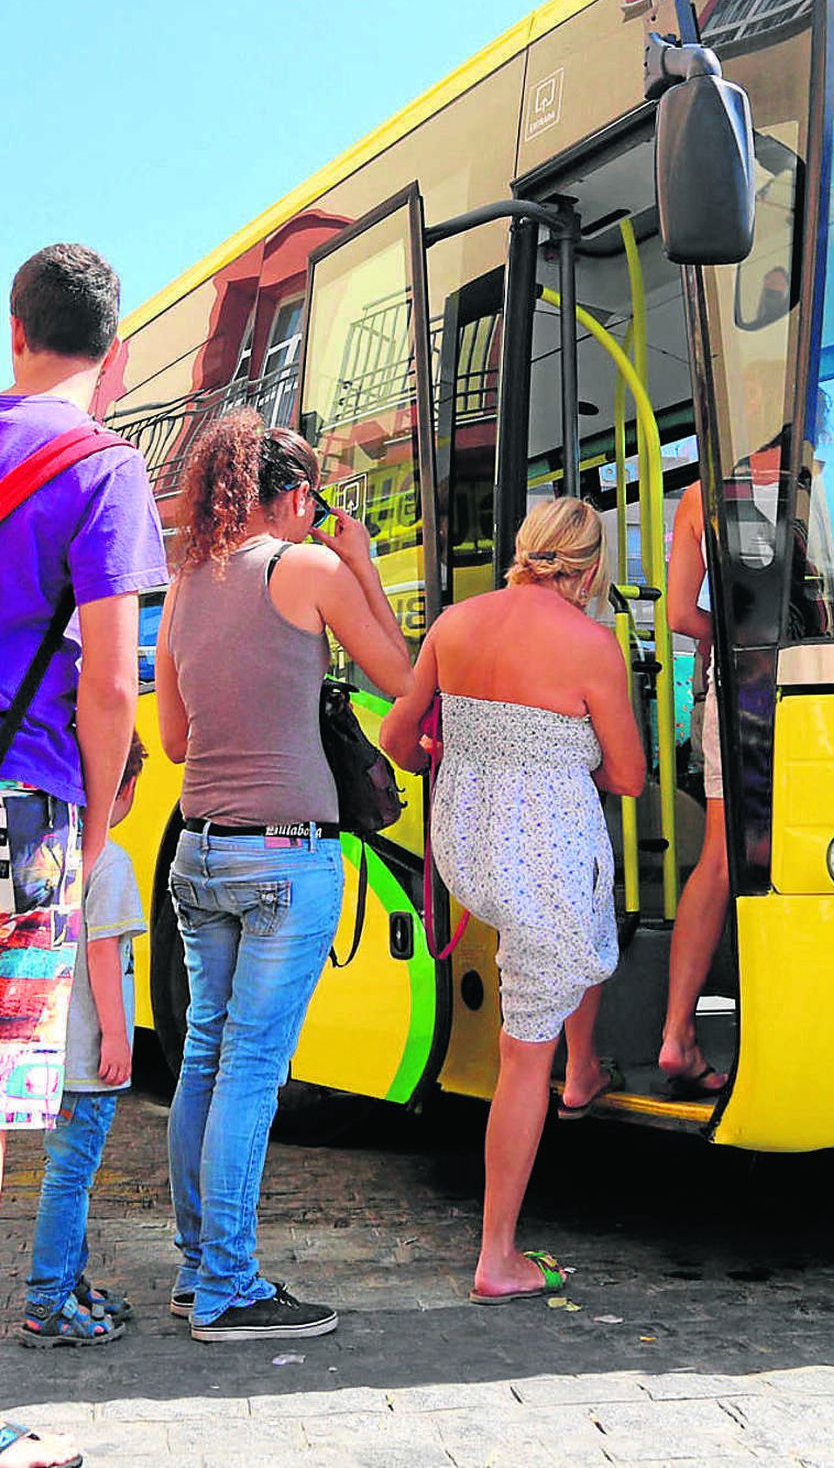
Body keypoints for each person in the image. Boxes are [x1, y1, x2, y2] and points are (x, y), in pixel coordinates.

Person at [156, 408, 412, 1341]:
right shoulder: (306, 569)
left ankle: (196, 1271)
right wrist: (367, 575)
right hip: (282, 855)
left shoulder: (187, 580)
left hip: (200, 848)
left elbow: (176, 738)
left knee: (206, 1054)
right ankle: (228, 1289)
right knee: (254, 1068)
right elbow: (401, 676)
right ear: (299, 496)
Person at [379, 498, 643, 1305]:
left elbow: (397, 741)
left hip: (470, 853)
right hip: (546, 867)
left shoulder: (455, 624)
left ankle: (586, 1065)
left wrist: (457, 744)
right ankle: (499, 1254)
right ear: (591, 568)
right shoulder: (592, 645)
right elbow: (628, 777)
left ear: (525, 553)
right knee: (524, 1054)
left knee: (547, 995)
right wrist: (567, 755)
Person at [2, 245, 163, 1462]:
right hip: (28, 806)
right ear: (112, 353)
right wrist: (99, 820)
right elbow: (111, 676)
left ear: (16, 331)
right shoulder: (105, 468)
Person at [21, 734, 149, 1349]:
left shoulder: (52, 851)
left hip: (53, 1047)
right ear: (120, 789)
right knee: (70, 1176)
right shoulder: (112, 860)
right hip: (86, 1055)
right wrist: (118, 1039)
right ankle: (47, 1300)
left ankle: (70, 1285)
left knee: (68, 1171)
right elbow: (104, 956)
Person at [658, 475, 732, 1099]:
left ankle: (677, 1030)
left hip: (742, 688)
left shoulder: (701, 496)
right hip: (823, 677)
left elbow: (681, 613)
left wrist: (732, 634)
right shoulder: (822, 481)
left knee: (718, 860)